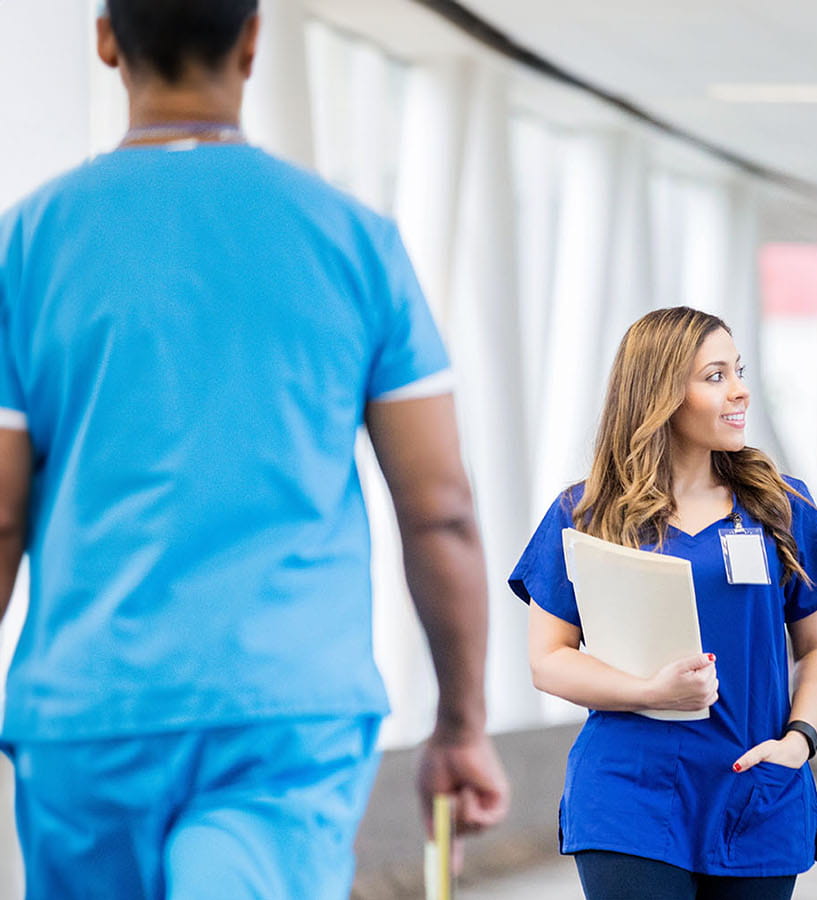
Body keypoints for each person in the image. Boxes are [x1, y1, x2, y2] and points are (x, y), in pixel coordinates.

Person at [0, 2, 508, 897]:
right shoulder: (356, 242)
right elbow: (441, 510)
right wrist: (461, 725)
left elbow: (1, 516)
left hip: (89, 712)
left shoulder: (28, 245)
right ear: (253, 41)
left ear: (107, 39)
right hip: (286, 715)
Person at [511, 306, 817, 900]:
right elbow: (549, 658)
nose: (740, 390)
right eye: (715, 376)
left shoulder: (782, 507)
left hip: (754, 785)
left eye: (737, 371)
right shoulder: (585, 515)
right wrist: (651, 693)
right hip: (628, 792)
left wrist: (799, 741)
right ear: (661, 393)